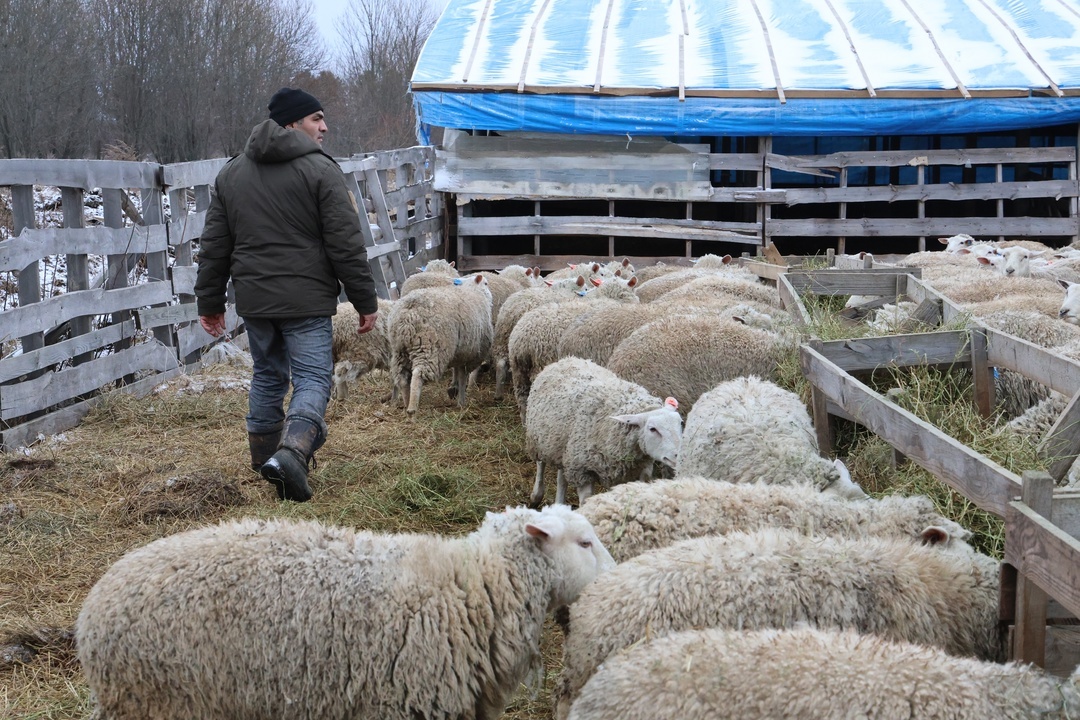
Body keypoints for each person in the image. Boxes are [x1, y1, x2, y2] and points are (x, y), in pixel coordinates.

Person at [195, 87, 379, 502]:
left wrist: (209, 303)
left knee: (268, 375)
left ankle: (265, 461)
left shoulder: (232, 172)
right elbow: (346, 244)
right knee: (314, 377)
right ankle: (292, 455)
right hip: (306, 299)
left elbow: (214, 246)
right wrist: (365, 301)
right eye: (316, 118)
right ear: (293, 123)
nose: (325, 127)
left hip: (256, 300)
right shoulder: (319, 170)